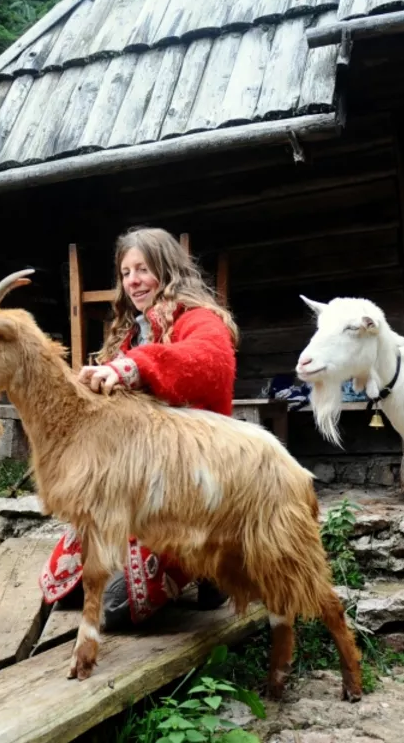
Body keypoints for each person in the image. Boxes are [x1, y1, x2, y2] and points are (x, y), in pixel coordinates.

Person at [38, 226, 241, 629]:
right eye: (126, 272)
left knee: (115, 610)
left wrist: (133, 368)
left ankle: (213, 564)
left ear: (167, 271)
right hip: (137, 480)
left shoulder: (198, 319)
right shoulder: (131, 331)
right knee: (62, 591)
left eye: (143, 269)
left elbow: (211, 361)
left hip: (186, 481)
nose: (133, 281)